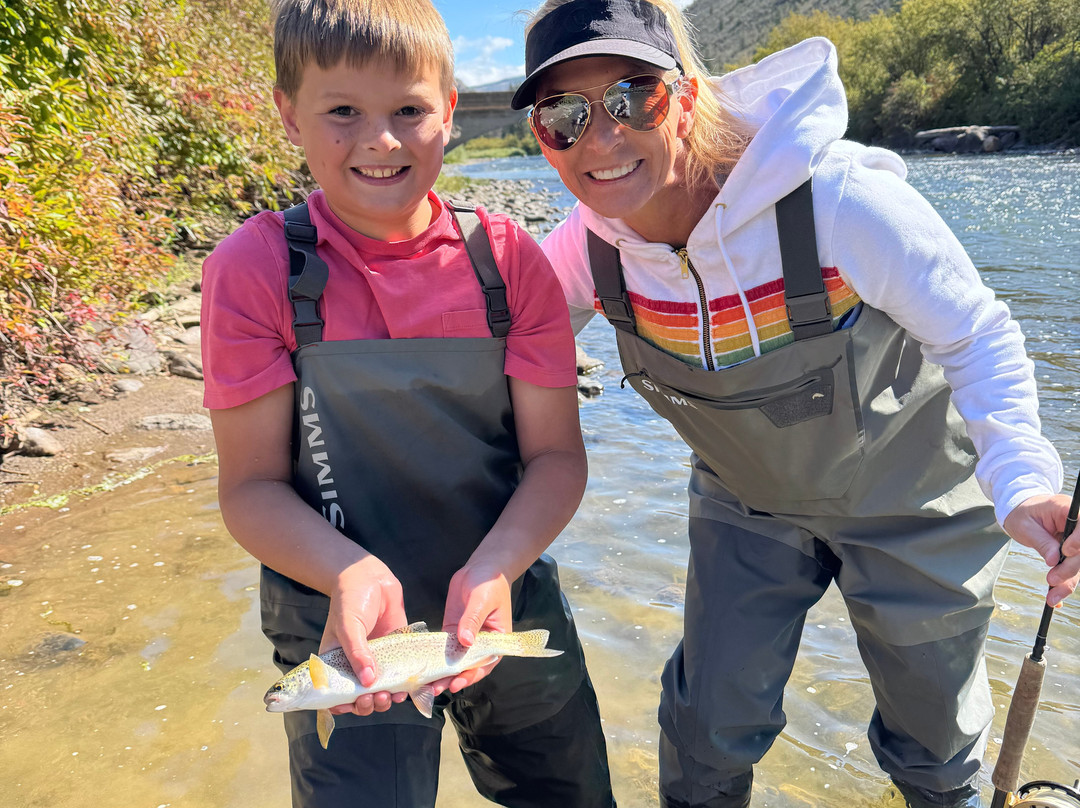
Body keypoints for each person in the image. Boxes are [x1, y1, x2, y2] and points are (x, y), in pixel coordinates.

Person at [511, 1, 1080, 807]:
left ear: (688, 94)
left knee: (934, 754)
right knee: (704, 731)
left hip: (912, 504)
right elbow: (500, 354)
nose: (600, 138)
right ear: (542, 136)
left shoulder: (838, 202)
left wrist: (1023, 480)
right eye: (562, 116)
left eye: (633, 96)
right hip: (746, 504)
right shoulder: (584, 248)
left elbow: (977, 336)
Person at [199, 0, 616, 805]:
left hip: (505, 590)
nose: (380, 139)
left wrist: (496, 568)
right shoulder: (254, 270)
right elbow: (249, 490)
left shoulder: (508, 261)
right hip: (337, 626)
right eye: (343, 111)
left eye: (409, 110)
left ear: (450, 113)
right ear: (289, 114)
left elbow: (557, 460)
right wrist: (350, 576)